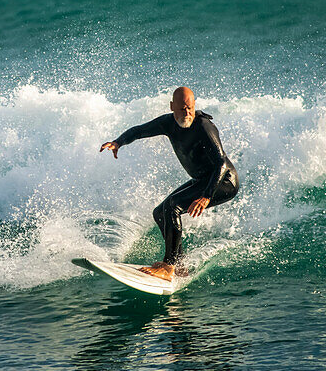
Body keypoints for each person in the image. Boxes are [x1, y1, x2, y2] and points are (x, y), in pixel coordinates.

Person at [100, 87, 239, 280]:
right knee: (160, 212)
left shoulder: (204, 127)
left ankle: (169, 265)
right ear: (172, 107)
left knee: (173, 207)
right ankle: (179, 264)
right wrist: (118, 142)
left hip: (223, 181)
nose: (187, 113)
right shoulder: (168, 123)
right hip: (202, 180)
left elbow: (221, 163)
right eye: (182, 109)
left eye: (190, 108)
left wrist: (207, 196)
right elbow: (140, 131)